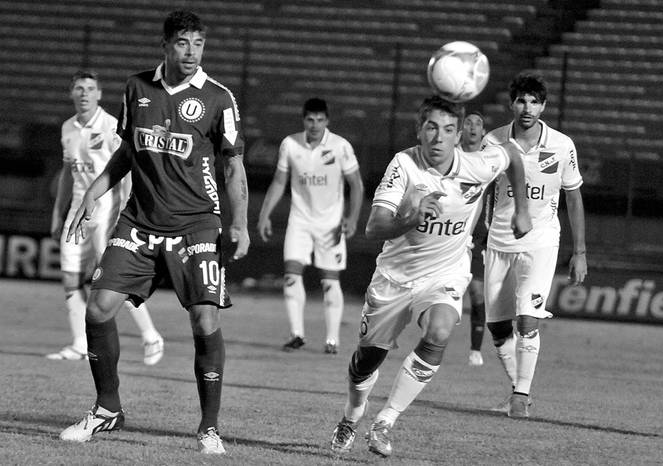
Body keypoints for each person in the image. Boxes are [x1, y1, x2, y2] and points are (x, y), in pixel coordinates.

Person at [59, 11, 249, 455]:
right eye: (183, 43)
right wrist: (94, 193)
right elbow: (128, 151)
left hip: (196, 223)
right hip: (140, 221)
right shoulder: (136, 87)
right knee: (98, 307)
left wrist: (238, 222)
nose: (191, 52)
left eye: (198, 43)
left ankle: (208, 428)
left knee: (205, 319)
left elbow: (233, 164)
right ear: (165, 45)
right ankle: (107, 409)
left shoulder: (219, 98)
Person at [330, 96, 531, 457]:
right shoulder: (404, 165)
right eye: (431, 128)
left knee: (439, 331)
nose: (439, 137)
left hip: (445, 274)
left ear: (459, 136)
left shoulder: (478, 164)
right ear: (419, 131)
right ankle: (352, 415)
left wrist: (521, 210)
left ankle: (386, 421)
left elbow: (513, 156)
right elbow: (375, 226)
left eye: (449, 130)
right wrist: (412, 216)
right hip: (394, 278)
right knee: (365, 365)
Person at [483, 72, 587, 418]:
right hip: (499, 241)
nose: (527, 108)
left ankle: (520, 396)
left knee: (527, 320)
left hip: (541, 241)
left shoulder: (562, 145)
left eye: (533, 101)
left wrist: (580, 252)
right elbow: (477, 191)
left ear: (543, 106)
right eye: (521, 100)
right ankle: (518, 388)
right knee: (498, 327)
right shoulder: (493, 142)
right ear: (512, 104)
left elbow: (573, 197)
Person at [47, 70, 164, 366]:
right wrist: (57, 213)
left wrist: (123, 213)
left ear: (99, 94)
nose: (84, 93)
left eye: (90, 88)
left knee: (112, 281)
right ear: (71, 93)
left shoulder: (112, 126)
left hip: (106, 214)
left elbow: (124, 172)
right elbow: (68, 175)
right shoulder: (68, 128)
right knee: (71, 280)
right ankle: (79, 343)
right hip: (77, 214)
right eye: (78, 88)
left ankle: (151, 335)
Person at [257, 98, 364, 354]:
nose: (314, 125)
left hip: (331, 224)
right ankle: (297, 334)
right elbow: (279, 182)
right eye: (310, 120)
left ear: (327, 121)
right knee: (291, 275)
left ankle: (332, 340)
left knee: (329, 281)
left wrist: (352, 218)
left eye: (319, 120)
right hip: (300, 221)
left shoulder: (340, 147)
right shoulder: (290, 144)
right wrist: (264, 216)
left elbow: (357, 185)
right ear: (303, 120)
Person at [460, 110, 488, 367]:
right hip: (451, 232)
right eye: (468, 122)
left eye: (477, 123)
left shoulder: (490, 161)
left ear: (482, 131)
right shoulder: (451, 157)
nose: (472, 127)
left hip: (479, 237)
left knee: (477, 292)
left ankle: (475, 349)